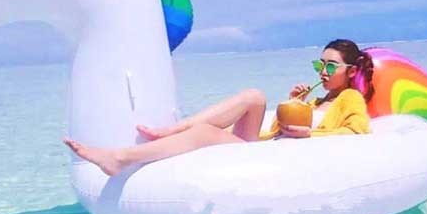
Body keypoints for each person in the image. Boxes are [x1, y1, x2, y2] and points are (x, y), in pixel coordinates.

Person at [64, 39, 375, 178]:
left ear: (350, 71)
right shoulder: (316, 100)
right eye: (319, 65)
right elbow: (281, 131)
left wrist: (308, 134)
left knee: (204, 133)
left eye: (330, 66)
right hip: (268, 147)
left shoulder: (350, 99)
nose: (323, 72)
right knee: (254, 96)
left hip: (272, 158)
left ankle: (120, 158)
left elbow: (356, 133)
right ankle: (174, 130)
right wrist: (296, 104)